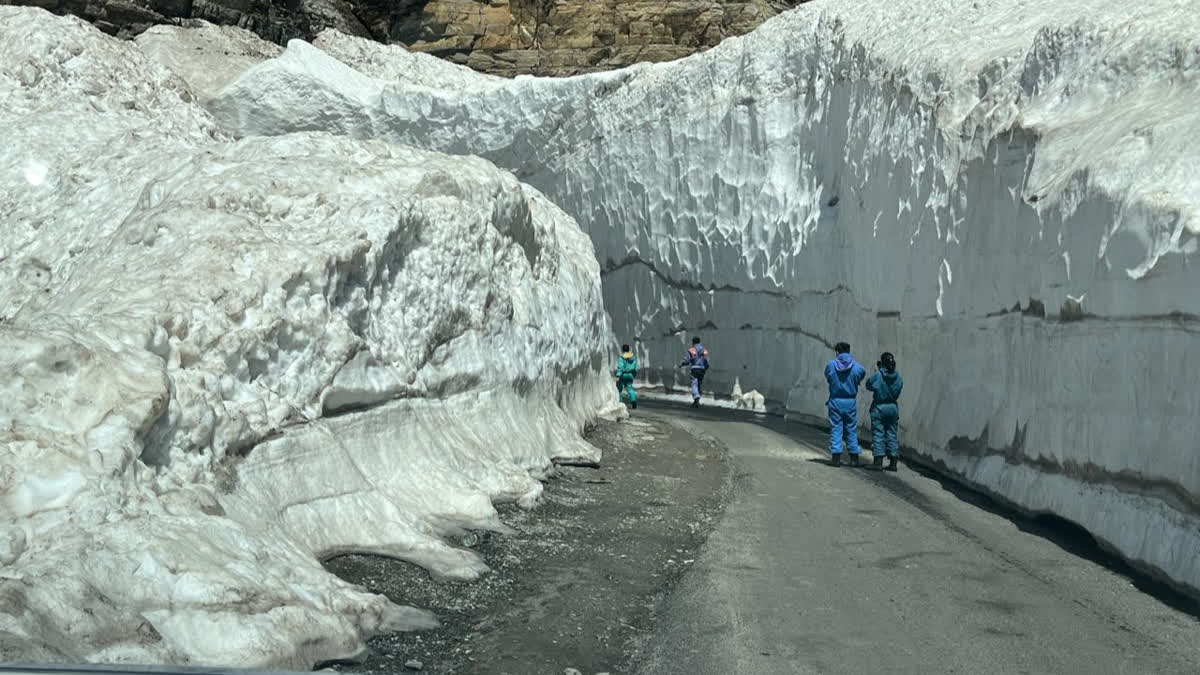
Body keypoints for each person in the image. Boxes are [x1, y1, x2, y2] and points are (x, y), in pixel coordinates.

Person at [824, 342, 866, 466]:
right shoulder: (857, 367)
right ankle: (854, 458)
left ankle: (836, 458)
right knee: (851, 429)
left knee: (836, 429)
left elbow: (827, 375)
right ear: (848, 351)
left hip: (836, 401)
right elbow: (862, 373)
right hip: (850, 402)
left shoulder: (831, 365)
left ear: (837, 352)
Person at [866, 351, 903, 471]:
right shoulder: (898, 376)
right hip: (892, 407)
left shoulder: (878, 375)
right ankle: (893, 462)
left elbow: (868, 385)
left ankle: (878, 461)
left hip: (879, 407)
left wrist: (877, 371)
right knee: (892, 434)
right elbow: (899, 387)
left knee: (878, 433)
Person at [680, 336, 710, 408]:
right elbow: (707, 359)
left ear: (693, 342)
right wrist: (706, 366)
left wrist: (682, 364)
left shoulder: (692, 350)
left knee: (694, 383)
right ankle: (696, 401)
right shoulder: (704, 350)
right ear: (699, 342)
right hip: (702, 369)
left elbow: (687, 360)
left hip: (695, 369)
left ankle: (696, 396)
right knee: (699, 384)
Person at [615, 344, 638, 409]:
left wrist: (618, 375)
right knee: (630, 388)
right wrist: (633, 375)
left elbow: (621, 367)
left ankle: (620, 402)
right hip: (630, 375)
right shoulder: (633, 357)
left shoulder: (622, 357)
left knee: (619, 388)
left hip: (623, 375)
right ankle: (633, 401)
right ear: (628, 349)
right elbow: (636, 367)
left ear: (622, 350)